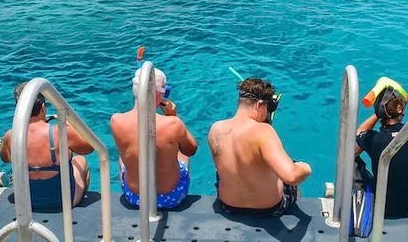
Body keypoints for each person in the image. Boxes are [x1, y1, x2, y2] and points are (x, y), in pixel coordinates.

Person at [208, 77, 311, 217]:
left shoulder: (216, 128)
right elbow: (291, 176)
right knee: (293, 169)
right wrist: (305, 168)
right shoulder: (263, 131)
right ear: (259, 105)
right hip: (269, 209)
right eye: (268, 108)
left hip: (227, 206)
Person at [110, 68, 198, 209]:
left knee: (122, 158)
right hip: (172, 197)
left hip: (134, 197)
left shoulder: (116, 121)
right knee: (183, 154)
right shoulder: (173, 124)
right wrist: (173, 117)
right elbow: (191, 150)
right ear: (157, 93)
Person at [0, 83, 93, 209]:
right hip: (62, 202)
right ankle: (75, 207)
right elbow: (89, 147)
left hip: (26, 202)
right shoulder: (60, 132)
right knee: (80, 161)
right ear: (43, 108)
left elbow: (5, 158)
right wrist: (69, 124)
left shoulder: (11, 136)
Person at [355, 77, 408, 218]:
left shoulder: (375, 139)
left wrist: (377, 114)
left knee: (353, 161)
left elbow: (357, 135)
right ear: (400, 109)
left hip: (383, 209)